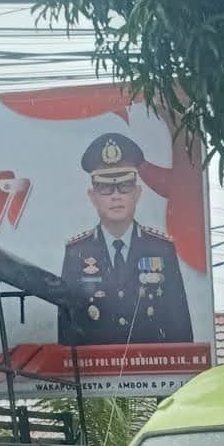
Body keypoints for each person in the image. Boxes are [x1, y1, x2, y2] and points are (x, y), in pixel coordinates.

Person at [58, 133, 193, 346]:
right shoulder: (77, 252)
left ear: (137, 193)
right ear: (92, 196)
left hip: (152, 372)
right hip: (93, 374)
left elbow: (180, 326)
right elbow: (67, 332)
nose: (116, 196)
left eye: (125, 185)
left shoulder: (161, 249)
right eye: (105, 187)